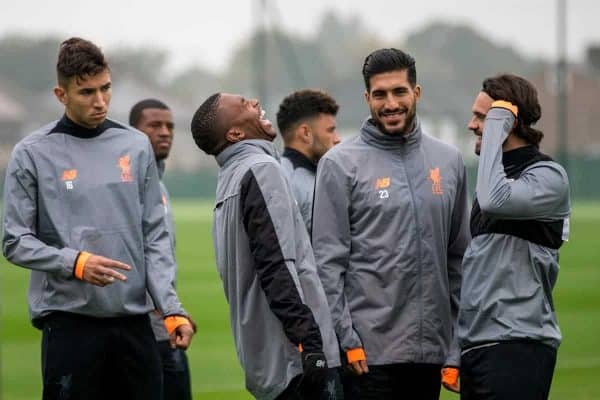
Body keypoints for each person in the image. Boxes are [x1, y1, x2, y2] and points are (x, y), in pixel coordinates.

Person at [2, 38, 195, 400]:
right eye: (86, 91)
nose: (100, 101)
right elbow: (14, 241)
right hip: (70, 325)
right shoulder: (32, 153)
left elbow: (155, 236)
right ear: (61, 94)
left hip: (135, 325)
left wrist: (171, 308)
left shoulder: (136, 145)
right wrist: (74, 262)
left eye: (106, 88)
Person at [311, 48, 470, 399]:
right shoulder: (339, 165)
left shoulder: (449, 161)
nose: (391, 103)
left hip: (431, 355)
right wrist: (346, 338)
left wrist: (457, 344)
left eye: (399, 91)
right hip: (367, 357)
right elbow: (327, 263)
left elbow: (460, 259)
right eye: (380, 94)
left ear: (417, 92)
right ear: (367, 98)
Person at [190, 92, 342, 400]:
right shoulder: (261, 169)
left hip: (265, 361)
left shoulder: (229, 177)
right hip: (295, 361)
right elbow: (277, 265)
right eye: (244, 104)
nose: (256, 102)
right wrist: (311, 344)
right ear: (234, 133)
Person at [458, 74, 571, 400]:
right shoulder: (493, 180)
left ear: (508, 121)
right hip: (479, 346)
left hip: (518, 346)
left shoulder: (548, 176)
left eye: (482, 116)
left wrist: (497, 124)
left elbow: (496, 200)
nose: (472, 125)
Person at [129, 98, 192, 400]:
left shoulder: (160, 185)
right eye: (154, 126)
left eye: (169, 126)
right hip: (144, 331)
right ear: (133, 133)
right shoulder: (128, 188)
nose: (165, 132)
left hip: (165, 324)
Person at [276, 89, 341, 233]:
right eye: (330, 130)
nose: (337, 139)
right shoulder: (285, 182)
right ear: (305, 133)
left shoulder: (321, 175)